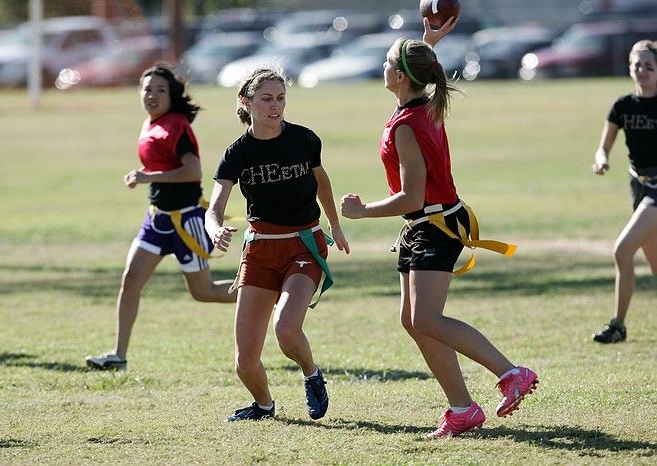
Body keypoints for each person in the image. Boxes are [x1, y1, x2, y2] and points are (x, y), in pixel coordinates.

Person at [340, 18, 538, 438]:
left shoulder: (409, 125)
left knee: (427, 318)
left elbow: (411, 198)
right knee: (414, 321)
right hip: (424, 226)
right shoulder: (419, 105)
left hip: (435, 225)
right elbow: (424, 70)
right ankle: (462, 408)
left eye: (388, 61)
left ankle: (511, 373)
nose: (382, 64)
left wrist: (361, 212)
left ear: (399, 76)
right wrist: (427, 41)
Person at [205, 67, 350, 422]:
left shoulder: (304, 139)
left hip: (303, 244)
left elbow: (322, 181)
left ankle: (311, 374)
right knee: (244, 361)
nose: (275, 106)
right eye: (266, 99)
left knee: (286, 328)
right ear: (246, 102)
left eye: (281, 98)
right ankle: (265, 406)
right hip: (259, 250)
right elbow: (214, 209)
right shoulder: (237, 153)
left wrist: (335, 224)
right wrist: (214, 231)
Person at [86, 64, 236, 371]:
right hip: (156, 222)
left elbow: (193, 171)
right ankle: (118, 356)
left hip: (186, 223)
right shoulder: (151, 122)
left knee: (203, 292)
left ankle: (265, 292)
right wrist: (146, 177)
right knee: (130, 281)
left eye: (160, 90)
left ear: (173, 96)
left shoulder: (176, 126)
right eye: (147, 89)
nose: (152, 95)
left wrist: (147, 177)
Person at [590, 40, 657, 344]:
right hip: (638, 186)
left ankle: (618, 325)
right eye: (637, 65)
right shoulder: (622, 106)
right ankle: (619, 325)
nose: (641, 71)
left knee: (622, 249)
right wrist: (601, 160)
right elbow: (603, 148)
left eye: (649, 66)